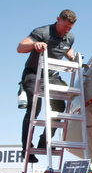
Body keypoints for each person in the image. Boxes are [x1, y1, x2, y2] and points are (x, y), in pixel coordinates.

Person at [17, 9, 77, 163]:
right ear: (58, 19)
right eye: (65, 27)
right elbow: (20, 47)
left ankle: (45, 142)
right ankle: (26, 149)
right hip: (34, 73)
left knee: (59, 108)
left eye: (70, 28)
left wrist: (74, 59)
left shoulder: (69, 37)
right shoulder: (42, 32)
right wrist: (34, 44)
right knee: (34, 109)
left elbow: (68, 51)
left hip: (52, 76)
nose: (66, 30)